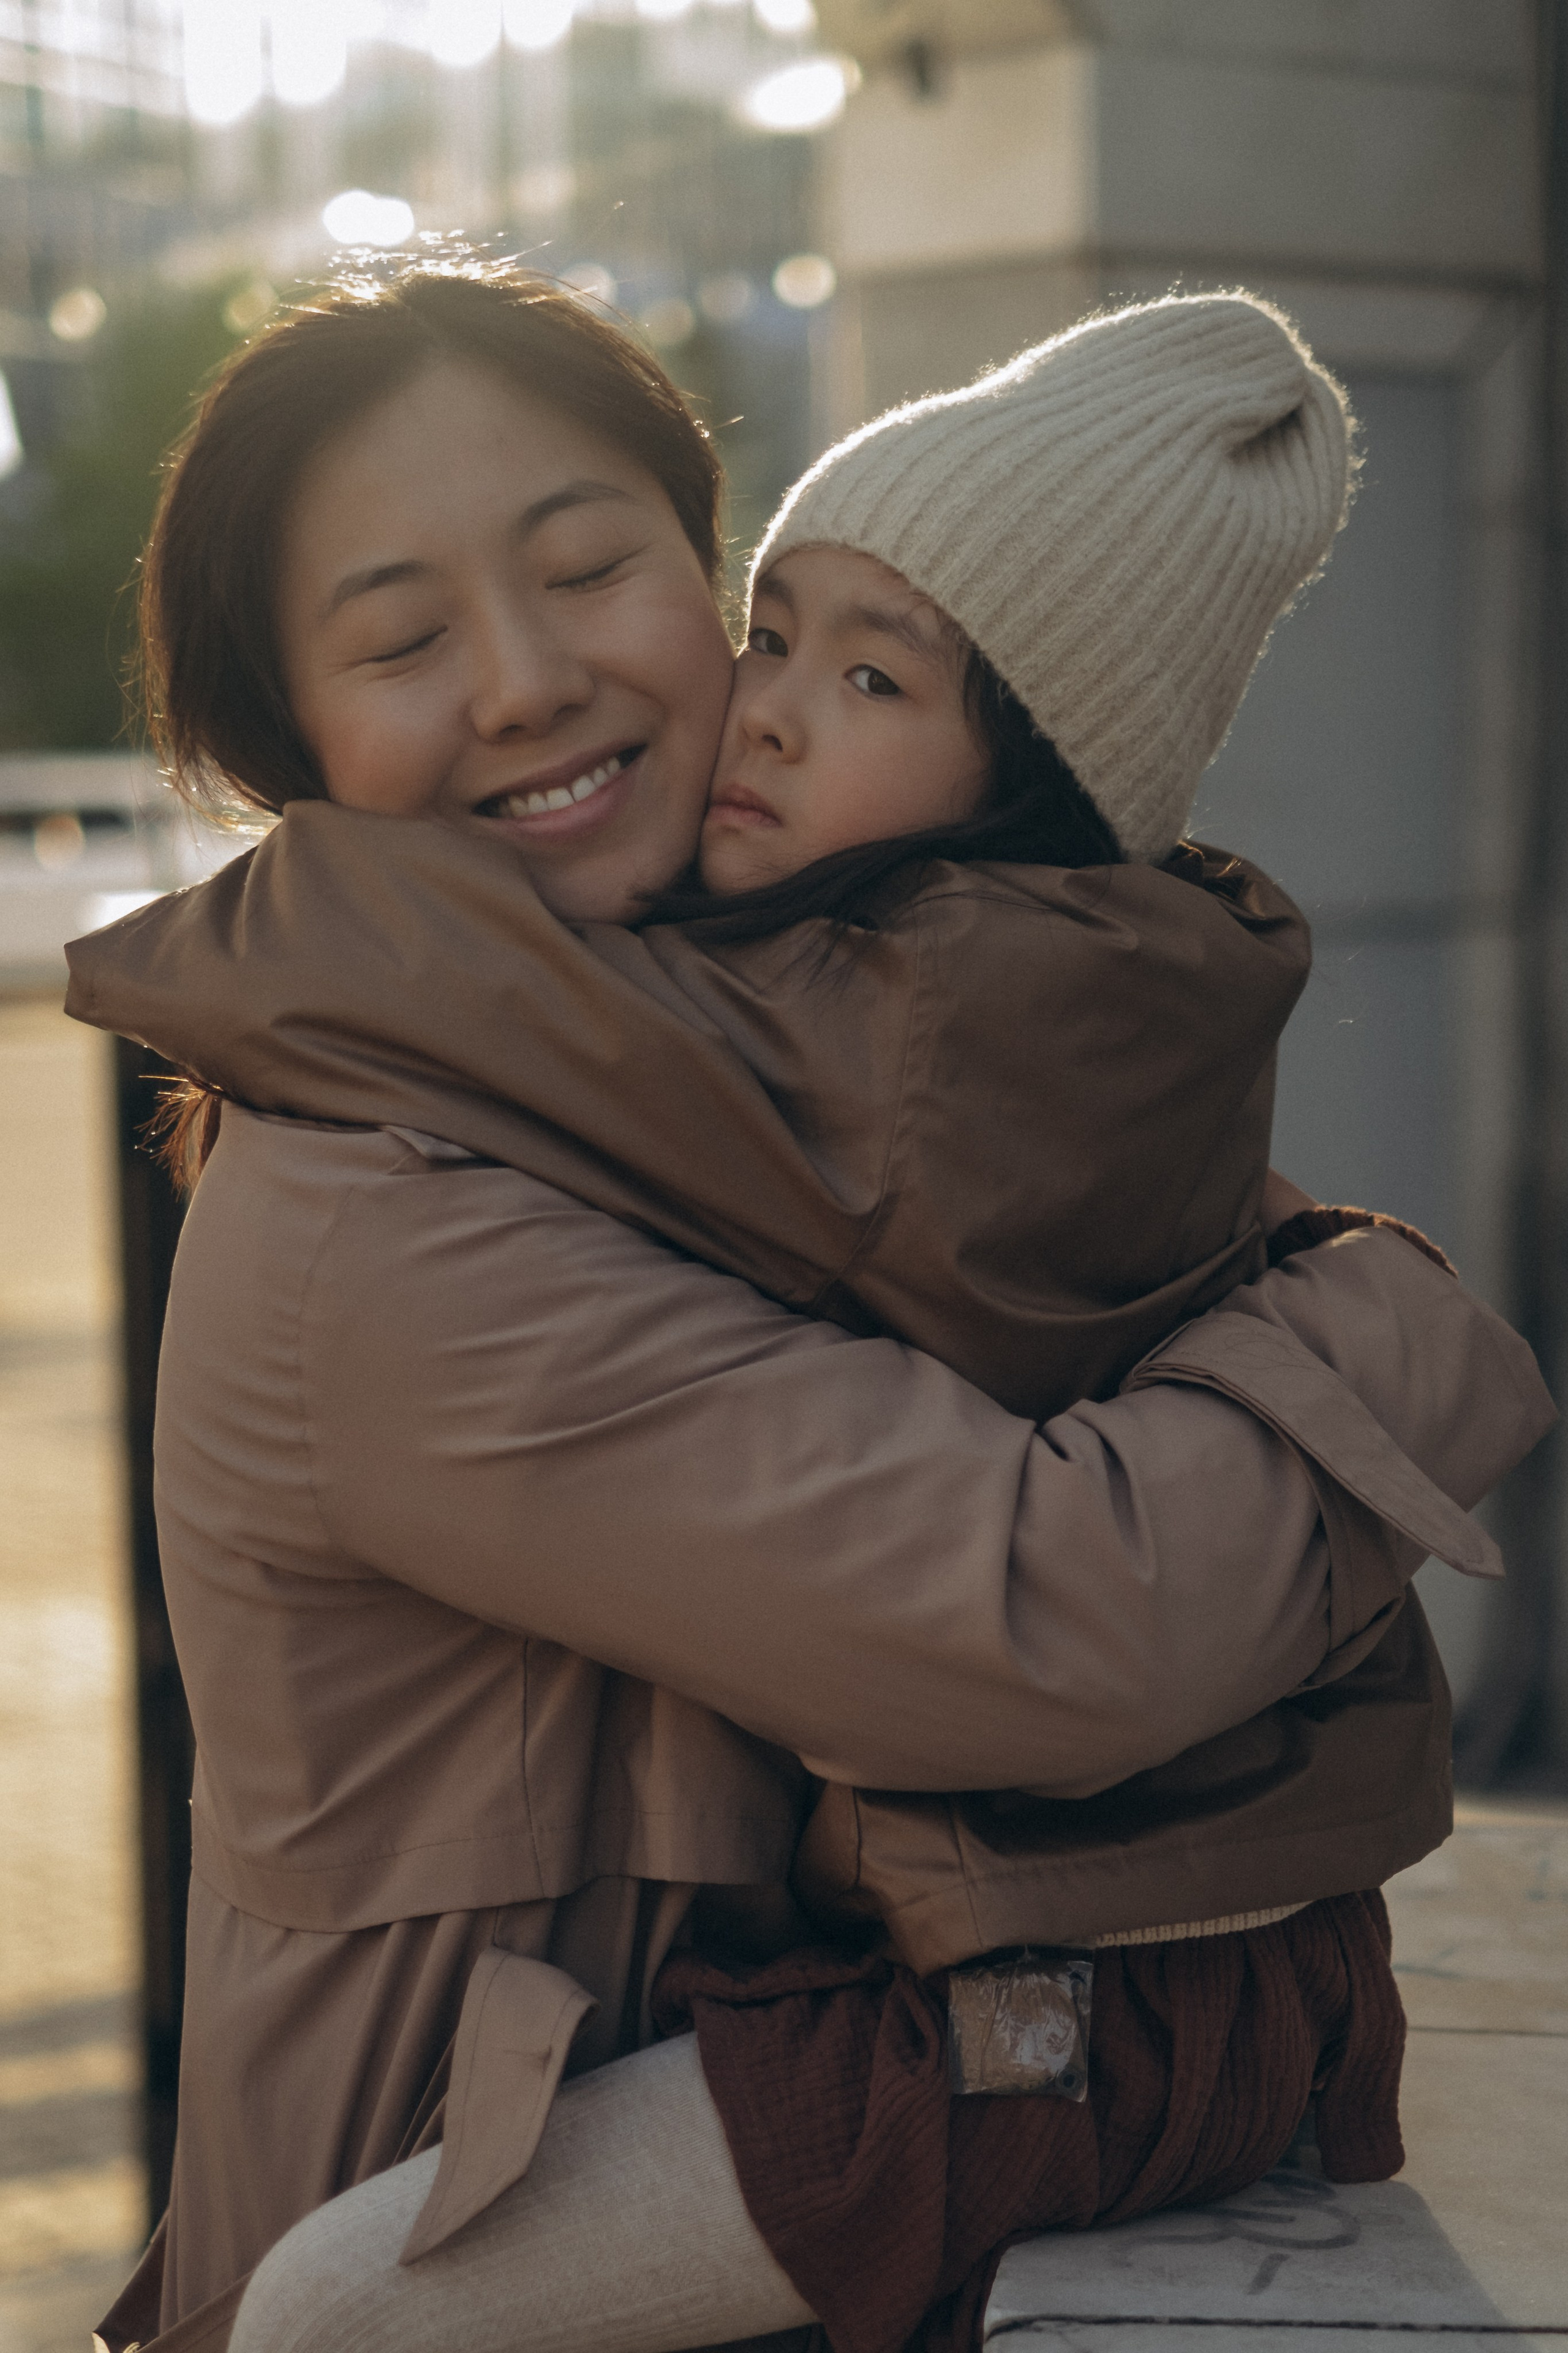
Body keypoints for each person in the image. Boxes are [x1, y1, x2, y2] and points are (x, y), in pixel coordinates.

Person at [66, 264, 1552, 2353]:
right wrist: (1390, 1323)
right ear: (291, 733)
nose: (519, 680)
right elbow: (1059, 1613)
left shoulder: (716, 1044)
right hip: (440, 2231)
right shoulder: (387, 1231)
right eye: (402, 637)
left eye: (591, 568)